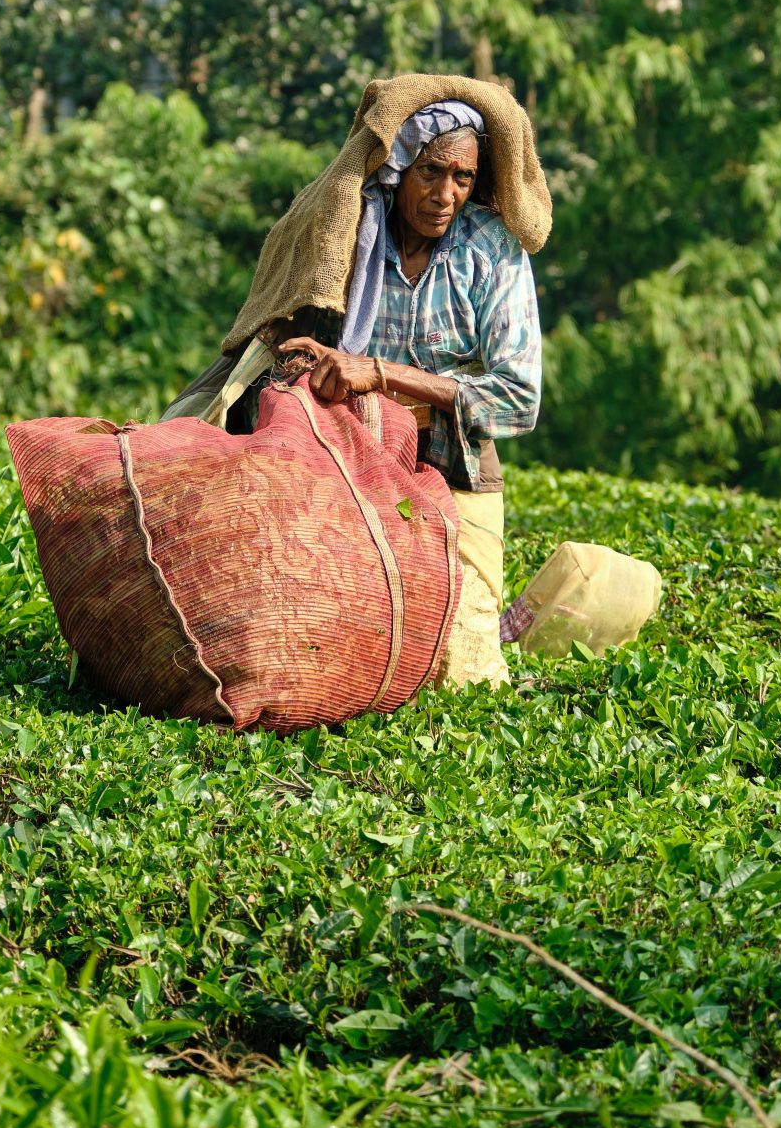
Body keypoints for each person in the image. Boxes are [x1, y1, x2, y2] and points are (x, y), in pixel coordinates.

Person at [165, 76, 552, 687]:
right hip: (347, 464)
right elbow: (281, 337)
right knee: (312, 636)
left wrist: (378, 373)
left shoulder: (492, 251)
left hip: (454, 466)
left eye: (463, 178)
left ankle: (496, 627)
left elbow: (519, 401)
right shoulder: (344, 235)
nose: (445, 194)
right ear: (399, 168)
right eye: (431, 172)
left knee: (462, 672)